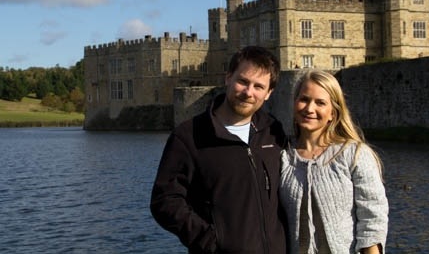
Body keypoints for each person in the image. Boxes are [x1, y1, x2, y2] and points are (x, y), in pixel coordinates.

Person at [150, 46, 288, 254]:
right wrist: (211, 241)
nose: (248, 92)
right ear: (228, 78)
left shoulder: (273, 132)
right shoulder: (189, 136)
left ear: (268, 93)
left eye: (258, 86)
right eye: (243, 81)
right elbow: (165, 201)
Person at [279, 69, 389, 254]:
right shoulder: (283, 158)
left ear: (332, 113)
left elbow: (372, 220)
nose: (309, 109)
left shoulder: (354, 154)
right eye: (304, 99)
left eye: (320, 103)